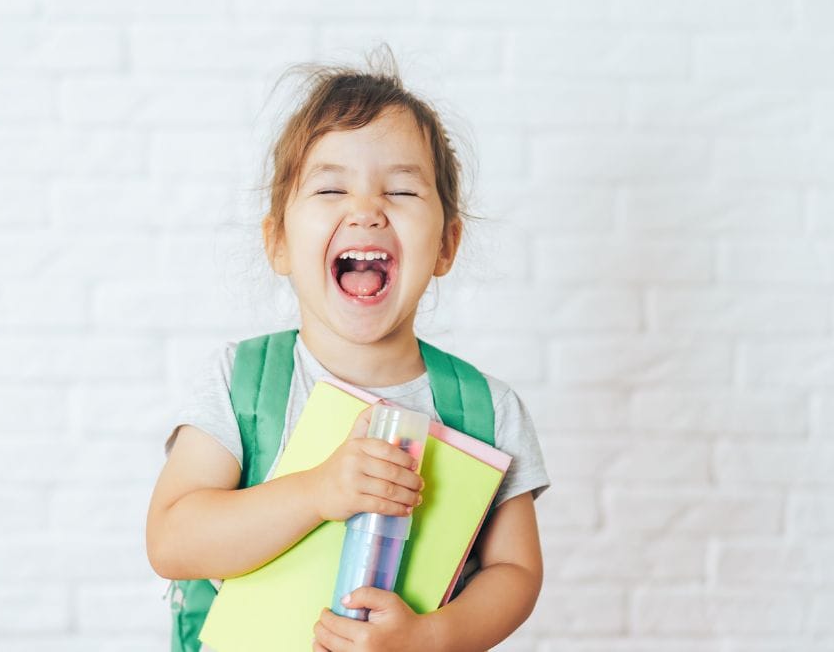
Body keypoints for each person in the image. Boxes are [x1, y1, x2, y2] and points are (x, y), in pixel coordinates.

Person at [146, 47, 551, 652]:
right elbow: (172, 540)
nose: (366, 210)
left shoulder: (487, 410)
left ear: (446, 246)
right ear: (278, 242)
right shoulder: (243, 383)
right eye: (331, 188)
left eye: (403, 193)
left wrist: (430, 636)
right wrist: (317, 491)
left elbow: (516, 573)